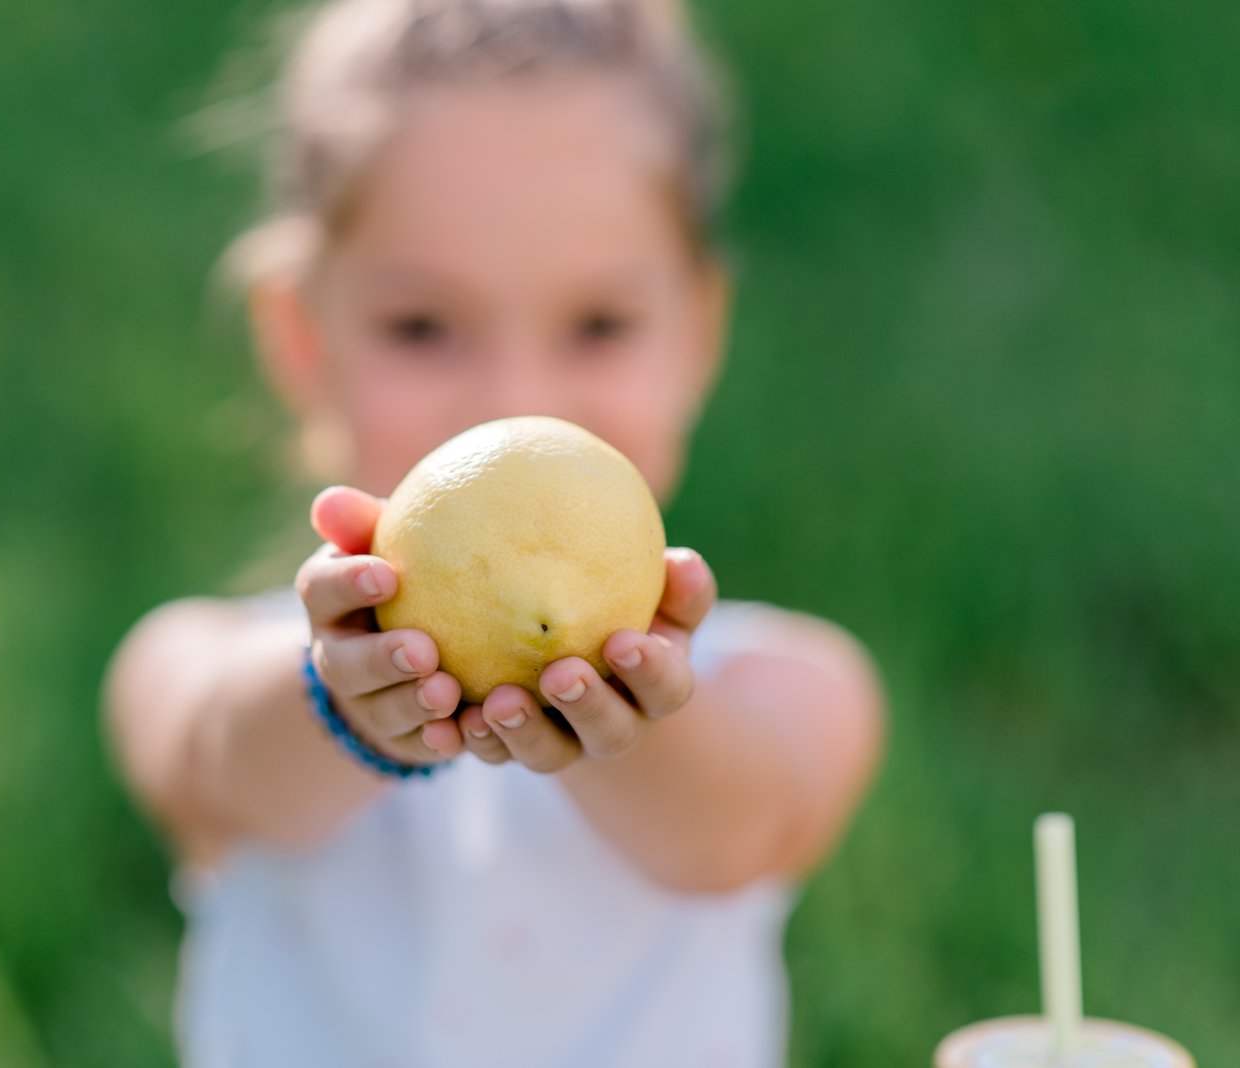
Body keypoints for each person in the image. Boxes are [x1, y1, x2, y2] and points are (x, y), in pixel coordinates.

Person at [105, 0, 884, 1064]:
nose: (516, 403)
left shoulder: (780, 686)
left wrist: (628, 710)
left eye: (598, 325)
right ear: (303, 341)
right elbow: (210, 766)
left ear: (697, 337)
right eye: (423, 328)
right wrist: (347, 710)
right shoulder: (215, 670)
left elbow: (733, 833)